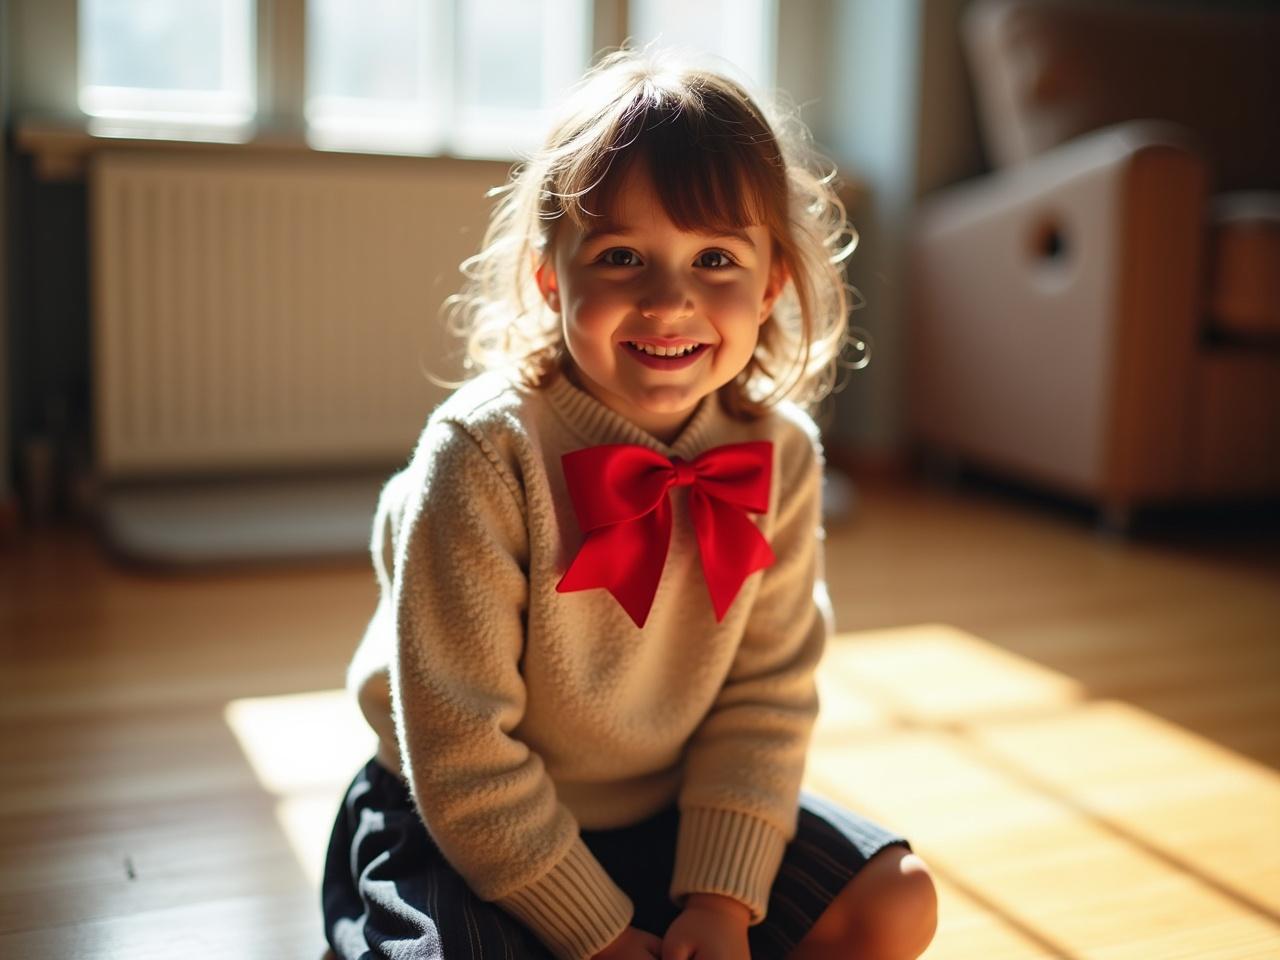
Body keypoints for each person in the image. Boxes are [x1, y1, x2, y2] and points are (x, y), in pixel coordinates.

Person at [321, 48, 938, 960]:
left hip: (674, 807)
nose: (669, 299)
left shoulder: (781, 456)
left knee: (896, 901)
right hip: (469, 822)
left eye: (716, 258)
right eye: (620, 256)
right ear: (549, 277)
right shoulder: (484, 454)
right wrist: (599, 934)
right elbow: (457, 746)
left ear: (770, 287)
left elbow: (765, 699)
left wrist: (721, 904)